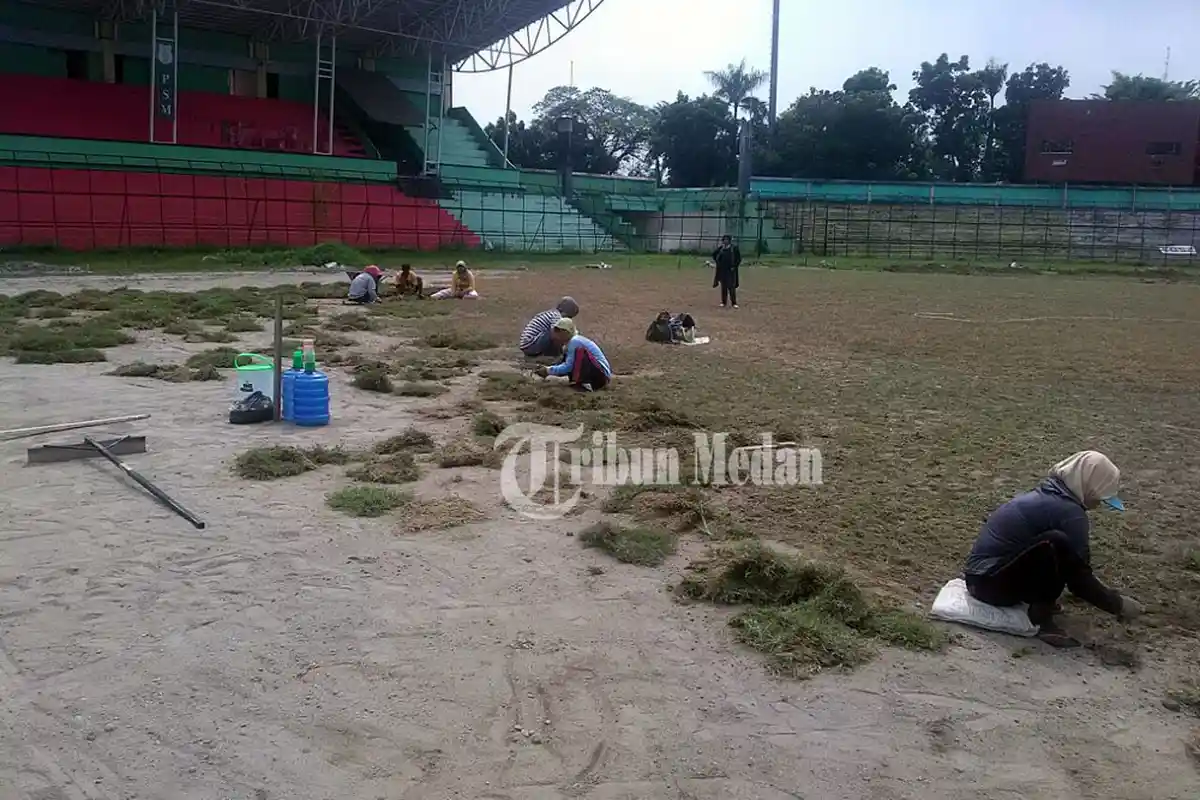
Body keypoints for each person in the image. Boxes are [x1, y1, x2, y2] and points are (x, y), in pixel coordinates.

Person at [962, 451, 1143, 648]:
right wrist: (1117, 604)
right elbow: (1079, 578)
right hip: (986, 584)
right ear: (1088, 486)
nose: (1099, 504)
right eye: (1100, 497)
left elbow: (1077, 567)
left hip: (983, 578)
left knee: (1058, 548)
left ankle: (1039, 604)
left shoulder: (1050, 495)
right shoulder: (1069, 512)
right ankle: (1041, 618)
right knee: (1054, 544)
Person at [535, 318, 612, 391]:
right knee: (568, 356)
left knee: (580, 353)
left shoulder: (574, 342)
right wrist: (549, 369)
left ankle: (586, 384)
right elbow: (566, 365)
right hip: (602, 375)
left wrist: (548, 370)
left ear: (565, 332)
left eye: (558, 331)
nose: (556, 335)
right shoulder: (571, 343)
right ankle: (582, 383)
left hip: (601, 377)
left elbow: (568, 367)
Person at [712, 234, 741, 309]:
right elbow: (714, 254)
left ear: (730, 241)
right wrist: (718, 262)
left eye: (727, 240)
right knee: (723, 287)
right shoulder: (721, 248)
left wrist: (734, 266)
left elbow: (738, 259)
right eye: (724, 240)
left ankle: (734, 303)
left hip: (730, 271)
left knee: (731, 287)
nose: (725, 241)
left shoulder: (734, 248)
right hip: (722, 271)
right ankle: (723, 302)